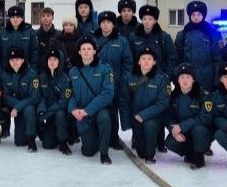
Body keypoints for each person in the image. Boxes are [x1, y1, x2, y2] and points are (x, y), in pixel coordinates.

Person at [68, 36, 115, 164]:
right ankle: (94, 137)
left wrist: (87, 110)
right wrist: (73, 109)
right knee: (88, 152)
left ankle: (104, 152)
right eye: (83, 49)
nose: (86, 51)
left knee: (104, 118)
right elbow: (69, 93)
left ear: (95, 51)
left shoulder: (105, 69)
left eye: (89, 48)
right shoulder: (73, 71)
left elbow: (108, 93)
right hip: (81, 113)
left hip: (99, 110)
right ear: (79, 52)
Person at [124, 47, 171, 163]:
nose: (146, 61)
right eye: (143, 58)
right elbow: (124, 100)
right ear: (139, 61)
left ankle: (151, 155)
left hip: (154, 117)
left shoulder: (162, 79)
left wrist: (143, 115)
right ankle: (145, 142)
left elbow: (163, 103)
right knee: (141, 153)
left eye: (149, 59)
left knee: (149, 127)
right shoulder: (129, 77)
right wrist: (127, 122)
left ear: (154, 62)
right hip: (136, 118)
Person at [94, 10, 133, 149]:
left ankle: (114, 138)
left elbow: (128, 62)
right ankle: (98, 137)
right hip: (96, 84)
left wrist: (122, 79)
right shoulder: (94, 40)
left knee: (113, 112)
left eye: (108, 22)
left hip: (116, 83)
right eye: (103, 23)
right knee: (99, 110)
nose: (105, 25)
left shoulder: (122, 41)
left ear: (113, 25)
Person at [165, 63, 212, 169]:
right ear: (177, 80)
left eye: (188, 77)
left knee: (198, 129)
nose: (185, 80)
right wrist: (173, 129)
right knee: (170, 142)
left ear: (193, 80)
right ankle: (190, 153)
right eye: (182, 77)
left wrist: (181, 126)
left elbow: (205, 117)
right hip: (184, 132)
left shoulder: (203, 95)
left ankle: (199, 157)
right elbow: (168, 115)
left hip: (202, 132)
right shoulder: (174, 95)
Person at [174, 1, 223, 93]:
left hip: (208, 78)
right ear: (189, 16)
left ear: (203, 16)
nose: (196, 17)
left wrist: (217, 80)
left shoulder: (213, 34)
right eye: (193, 14)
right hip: (188, 78)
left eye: (199, 14)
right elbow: (178, 59)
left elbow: (218, 59)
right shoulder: (182, 35)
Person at [1, 46, 41, 151]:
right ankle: (32, 128)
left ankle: (31, 140)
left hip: (28, 108)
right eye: (12, 60)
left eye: (17, 59)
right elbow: (5, 96)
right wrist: (18, 106)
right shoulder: (6, 74)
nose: (15, 62)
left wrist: (18, 107)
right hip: (17, 109)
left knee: (29, 109)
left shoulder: (31, 74)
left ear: (23, 60)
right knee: (19, 142)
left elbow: (35, 97)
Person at [37, 48, 74, 155]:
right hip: (50, 115)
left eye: (55, 60)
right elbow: (41, 97)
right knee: (47, 145)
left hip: (61, 114)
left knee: (60, 114)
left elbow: (63, 102)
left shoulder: (65, 79)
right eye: (50, 59)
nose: (52, 62)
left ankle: (63, 142)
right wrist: (42, 110)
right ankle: (49, 133)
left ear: (60, 62)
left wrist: (47, 112)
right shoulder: (42, 77)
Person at [0, 5, 40, 73]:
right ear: (9, 18)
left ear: (22, 18)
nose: (15, 19)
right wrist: (1, 73)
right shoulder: (1, 33)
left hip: (26, 73)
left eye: (18, 17)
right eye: (13, 17)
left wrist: (32, 72)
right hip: (6, 74)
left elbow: (34, 54)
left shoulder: (30, 33)